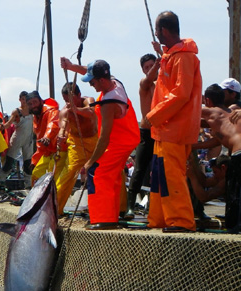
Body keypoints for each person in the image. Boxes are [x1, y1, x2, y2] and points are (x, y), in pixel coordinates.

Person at [60, 58, 140, 230]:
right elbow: (86, 69)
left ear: (102, 80)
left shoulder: (108, 103)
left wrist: (89, 163)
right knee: (113, 173)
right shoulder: (114, 81)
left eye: (93, 82)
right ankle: (116, 212)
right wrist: (71, 66)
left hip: (119, 141)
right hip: (130, 135)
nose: (91, 86)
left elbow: (104, 138)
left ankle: (103, 219)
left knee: (98, 172)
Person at [144, 11, 202, 233]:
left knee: (172, 176)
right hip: (164, 129)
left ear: (163, 31)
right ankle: (160, 218)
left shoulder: (184, 57)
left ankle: (181, 221)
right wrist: (163, 53)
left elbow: (181, 94)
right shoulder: (174, 56)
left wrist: (153, 116)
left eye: (158, 31)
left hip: (173, 128)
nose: (157, 35)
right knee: (159, 177)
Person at [199, 83, 241, 232]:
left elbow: (188, 112)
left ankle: (234, 227)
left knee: (234, 193)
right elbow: (218, 140)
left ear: (208, 101)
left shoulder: (211, 111)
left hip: (238, 153)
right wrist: (193, 146)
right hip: (237, 150)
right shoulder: (231, 114)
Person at [125, 53, 160, 220]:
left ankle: (155, 206)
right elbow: (150, 77)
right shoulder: (144, 83)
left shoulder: (164, 84)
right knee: (139, 169)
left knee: (164, 170)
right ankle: (130, 206)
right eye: (146, 67)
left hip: (162, 133)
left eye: (152, 66)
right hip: (147, 133)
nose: (150, 69)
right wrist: (159, 60)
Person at [55, 82, 98, 216]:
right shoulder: (65, 111)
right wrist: (61, 136)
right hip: (76, 143)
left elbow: (92, 112)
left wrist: (77, 110)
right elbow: (63, 127)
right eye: (65, 100)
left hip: (95, 142)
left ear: (79, 95)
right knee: (69, 172)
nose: (68, 103)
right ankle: (55, 208)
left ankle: (119, 209)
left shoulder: (88, 101)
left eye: (70, 100)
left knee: (105, 171)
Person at [27, 90, 66, 186]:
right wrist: (35, 160)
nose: (33, 106)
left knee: (51, 177)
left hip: (59, 150)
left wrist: (47, 137)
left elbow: (53, 124)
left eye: (35, 102)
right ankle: (37, 198)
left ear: (41, 101)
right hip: (47, 152)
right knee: (36, 174)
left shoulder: (52, 111)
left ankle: (51, 199)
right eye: (30, 104)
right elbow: (39, 141)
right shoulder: (36, 118)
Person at [0, 91, 34, 188]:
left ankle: (28, 184)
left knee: (28, 163)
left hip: (28, 140)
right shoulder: (16, 112)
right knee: (9, 161)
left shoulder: (32, 110)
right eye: (22, 99)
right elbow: (8, 124)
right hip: (17, 138)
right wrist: (2, 126)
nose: (24, 101)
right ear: (19, 100)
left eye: (25, 99)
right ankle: (2, 180)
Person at [187, 153, 229, 221]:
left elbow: (204, 198)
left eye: (215, 172)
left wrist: (192, 177)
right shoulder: (221, 175)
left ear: (223, 168)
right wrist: (193, 164)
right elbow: (204, 182)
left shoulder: (227, 179)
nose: (214, 176)